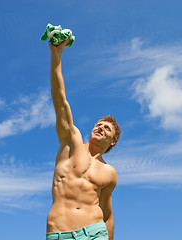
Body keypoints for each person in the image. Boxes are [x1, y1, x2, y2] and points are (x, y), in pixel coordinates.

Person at [46, 38, 121, 240]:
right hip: (60, 233)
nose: (100, 128)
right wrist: (56, 54)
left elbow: (107, 214)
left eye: (107, 129)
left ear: (112, 141)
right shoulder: (71, 141)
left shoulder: (109, 172)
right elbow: (60, 100)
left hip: (95, 232)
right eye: (99, 124)